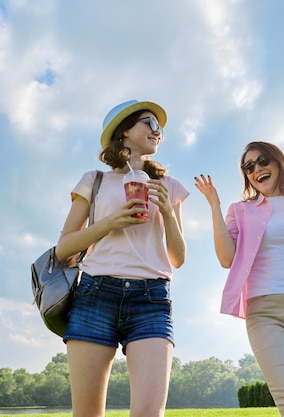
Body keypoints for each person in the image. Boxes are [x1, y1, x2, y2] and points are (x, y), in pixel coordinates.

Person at [56, 100, 189, 417]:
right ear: (125, 130)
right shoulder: (94, 181)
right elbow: (64, 249)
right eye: (150, 123)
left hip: (151, 298)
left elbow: (178, 257)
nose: (158, 132)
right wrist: (110, 223)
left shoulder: (169, 186)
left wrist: (168, 212)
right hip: (94, 295)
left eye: (161, 128)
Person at [194, 141, 284, 417]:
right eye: (248, 167)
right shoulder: (239, 211)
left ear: (278, 163)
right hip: (266, 313)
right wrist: (214, 205)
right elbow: (227, 259)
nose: (256, 169)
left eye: (262, 161)